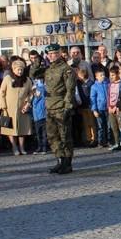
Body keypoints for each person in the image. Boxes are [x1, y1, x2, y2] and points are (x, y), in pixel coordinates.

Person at [44, 43, 77, 174]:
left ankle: (67, 164)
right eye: (50, 54)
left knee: (65, 136)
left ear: (59, 54)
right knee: (52, 136)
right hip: (50, 106)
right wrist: (37, 62)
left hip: (61, 106)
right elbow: (33, 73)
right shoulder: (48, 69)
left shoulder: (66, 69)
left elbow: (70, 89)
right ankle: (59, 160)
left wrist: (67, 106)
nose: (52, 56)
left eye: (55, 53)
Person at [0, 59, 34, 155]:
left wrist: (28, 103)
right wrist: (3, 106)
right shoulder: (7, 78)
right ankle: (14, 147)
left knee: (23, 128)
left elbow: (31, 92)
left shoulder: (27, 80)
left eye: (22, 69)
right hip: (8, 108)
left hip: (22, 108)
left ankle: (22, 147)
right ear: (13, 69)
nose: (20, 71)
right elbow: (2, 92)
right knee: (10, 128)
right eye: (18, 69)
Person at [90, 68, 110, 147]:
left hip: (108, 108)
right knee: (101, 126)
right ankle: (101, 141)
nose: (103, 76)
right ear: (96, 77)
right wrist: (94, 110)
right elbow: (93, 98)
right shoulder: (94, 87)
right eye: (101, 75)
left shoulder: (108, 83)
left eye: (104, 75)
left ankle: (109, 140)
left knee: (109, 126)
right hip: (99, 109)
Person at [107, 66, 121, 151]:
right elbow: (109, 96)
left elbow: (120, 96)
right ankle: (117, 142)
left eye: (113, 75)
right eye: (110, 75)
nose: (111, 77)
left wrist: (117, 107)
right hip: (111, 108)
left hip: (118, 108)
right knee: (114, 126)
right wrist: (109, 107)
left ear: (118, 74)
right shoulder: (110, 85)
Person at [31, 73, 48, 154]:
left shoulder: (42, 88)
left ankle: (44, 147)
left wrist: (38, 87)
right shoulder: (34, 90)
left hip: (42, 115)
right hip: (36, 116)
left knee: (43, 133)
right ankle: (39, 146)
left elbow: (42, 92)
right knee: (38, 133)